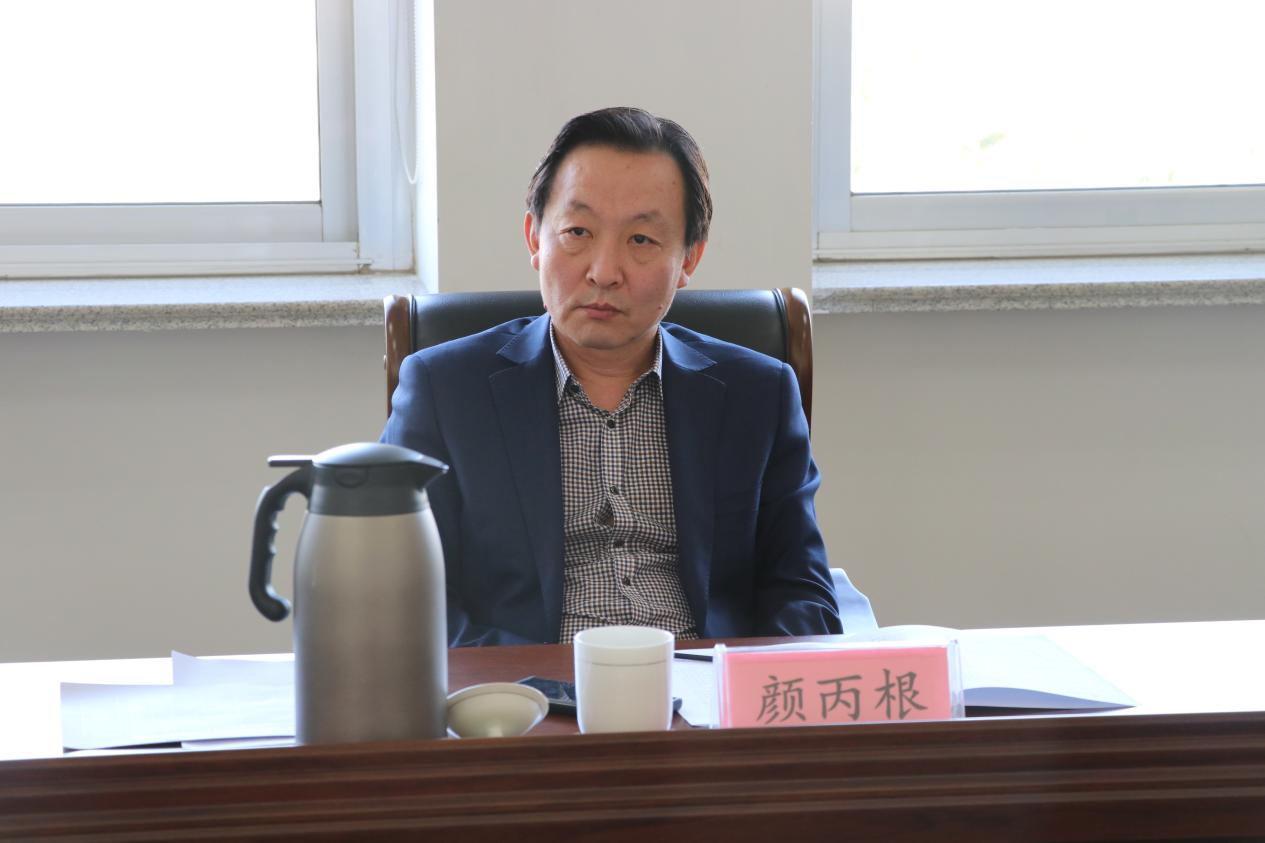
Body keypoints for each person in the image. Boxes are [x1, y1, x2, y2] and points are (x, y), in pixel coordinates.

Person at [382, 106, 867, 646]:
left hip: (705, 683)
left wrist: (740, 682)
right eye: (578, 231)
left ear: (689, 259)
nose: (603, 272)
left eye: (641, 240)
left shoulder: (758, 395)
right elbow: (404, 596)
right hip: (527, 689)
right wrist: (537, 682)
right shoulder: (445, 391)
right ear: (535, 238)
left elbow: (801, 591)